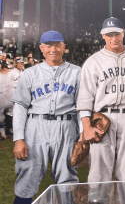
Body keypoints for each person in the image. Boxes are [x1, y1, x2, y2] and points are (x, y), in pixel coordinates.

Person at [77, 17, 125, 203]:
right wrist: (86, 127)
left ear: (123, 33)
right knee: (99, 173)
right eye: (109, 34)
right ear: (103, 36)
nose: (113, 38)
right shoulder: (93, 62)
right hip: (102, 118)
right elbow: (84, 98)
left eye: (117, 33)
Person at [11, 31, 81, 204]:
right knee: (28, 174)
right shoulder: (30, 73)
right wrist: (18, 138)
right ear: (41, 48)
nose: (53, 49)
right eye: (49, 45)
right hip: (35, 125)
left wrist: (82, 140)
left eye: (57, 45)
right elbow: (20, 107)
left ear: (64, 47)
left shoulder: (77, 72)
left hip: (66, 126)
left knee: (67, 176)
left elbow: (82, 107)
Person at [0, 62, 12, 140]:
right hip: (1, 98)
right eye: (6, 69)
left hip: (6, 99)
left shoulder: (7, 77)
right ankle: (3, 132)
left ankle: (4, 132)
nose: (7, 71)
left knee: (4, 116)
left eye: (8, 69)